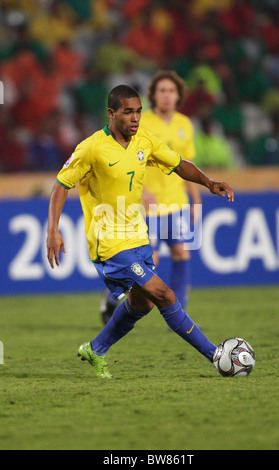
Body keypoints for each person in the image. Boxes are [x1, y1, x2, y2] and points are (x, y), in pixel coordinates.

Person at [46, 85, 234, 379]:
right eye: (128, 112)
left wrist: (209, 183)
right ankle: (216, 355)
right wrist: (52, 232)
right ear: (111, 113)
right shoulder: (91, 147)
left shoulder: (144, 139)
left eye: (138, 111)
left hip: (138, 236)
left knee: (142, 302)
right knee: (164, 294)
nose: (135, 118)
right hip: (109, 242)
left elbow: (178, 164)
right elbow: (60, 184)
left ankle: (96, 349)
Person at [101, 70, 200, 324]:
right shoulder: (142, 123)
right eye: (161, 91)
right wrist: (142, 190)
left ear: (178, 96)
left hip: (177, 202)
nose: (166, 96)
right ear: (153, 96)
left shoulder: (185, 125)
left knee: (181, 252)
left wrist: (195, 198)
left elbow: (186, 163)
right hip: (148, 206)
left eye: (171, 91)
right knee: (149, 261)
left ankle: (179, 310)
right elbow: (129, 160)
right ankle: (112, 299)